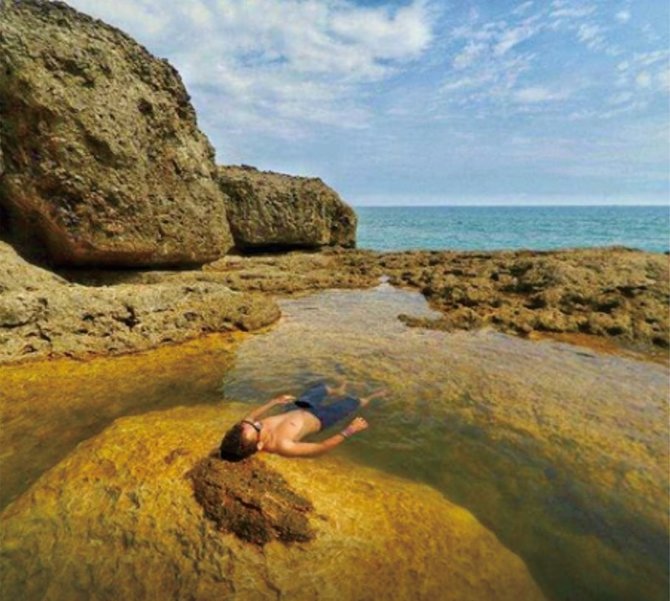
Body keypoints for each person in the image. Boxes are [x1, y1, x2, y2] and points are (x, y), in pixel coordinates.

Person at [219, 381, 386, 460]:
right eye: (256, 427)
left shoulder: (246, 430)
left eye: (247, 424)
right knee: (353, 403)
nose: (254, 422)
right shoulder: (283, 445)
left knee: (320, 389)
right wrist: (350, 430)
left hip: (295, 409)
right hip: (321, 418)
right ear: (259, 445)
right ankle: (373, 396)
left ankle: (337, 389)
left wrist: (274, 402)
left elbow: (248, 418)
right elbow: (320, 448)